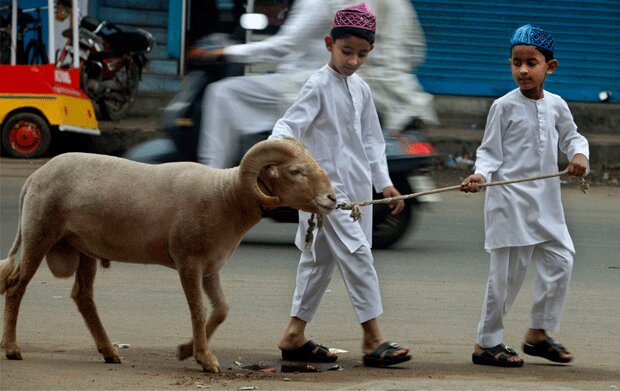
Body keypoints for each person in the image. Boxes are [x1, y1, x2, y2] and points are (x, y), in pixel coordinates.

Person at [269, 3, 411, 368]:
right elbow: (286, 129)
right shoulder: (317, 85)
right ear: (329, 43)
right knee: (359, 255)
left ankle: (293, 335)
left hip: (359, 191)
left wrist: (385, 184)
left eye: (361, 54)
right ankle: (372, 339)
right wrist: (280, 163)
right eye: (346, 51)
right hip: (326, 194)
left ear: (371, 52)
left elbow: (373, 141)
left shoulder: (361, 89)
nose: (352, 60)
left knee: (318, 264)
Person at [460, 24, 589, 367]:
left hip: (546, 202)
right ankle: (486, 344)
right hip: (509, 202)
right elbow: (489, 152)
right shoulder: (503, 106)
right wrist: (480, 175)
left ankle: (539, 333)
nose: (522, 70)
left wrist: (579, 157)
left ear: (550, 67)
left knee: (561, 259)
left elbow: (573, 138)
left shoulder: (558, 105)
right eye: (516, 62)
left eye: (531, 62)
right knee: (506, 278)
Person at [193, 0, 437, 168]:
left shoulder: (320, 2)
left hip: (305, 84)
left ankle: (210, 180)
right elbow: (416, 51)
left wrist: (227, 52)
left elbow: (283, 46)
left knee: (223, 93)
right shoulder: (399, 5)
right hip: (387, 89)